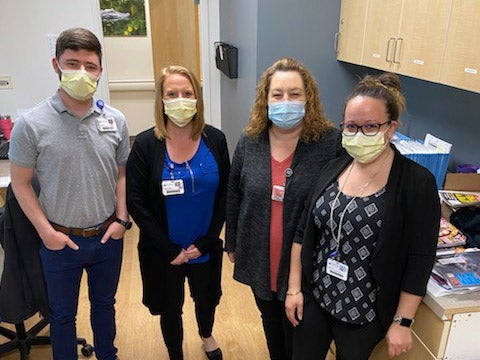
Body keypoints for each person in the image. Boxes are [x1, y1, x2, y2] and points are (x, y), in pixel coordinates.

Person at [285, 73, 441, 360]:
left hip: (365, 312)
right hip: (316, 298)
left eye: (370, 126)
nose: (359, 134)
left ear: (391, 128)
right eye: (351, 126)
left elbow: (420, 259)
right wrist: (295, 288)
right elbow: (303, 231)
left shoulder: (416, 183)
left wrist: (402, 322)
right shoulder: (334, 167)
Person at [9, 28, 130, 360]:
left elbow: (122, 173)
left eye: (90, 66)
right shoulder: (31, 124)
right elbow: (19, 184)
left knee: (105, 306)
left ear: (100, 70)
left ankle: (108, 355)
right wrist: (46, 233)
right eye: (72, 63)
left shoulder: (115, 120)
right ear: (56, 65)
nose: (82, 73)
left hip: (107, 236)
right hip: (60, 240)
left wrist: (122, 219)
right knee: (62, 316)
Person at [225, 57, 343, 360]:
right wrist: (233, 241)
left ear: (309, 98)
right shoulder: (250, 141)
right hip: (259, 254)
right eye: (277, 94)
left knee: (300, 332)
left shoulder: (329, 142)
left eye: (295, 94)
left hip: (307, 261)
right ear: (266, 99)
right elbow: (234, 192)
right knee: (271, 322)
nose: (285, 101)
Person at [126, 65, 229, 360]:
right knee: (171, 305)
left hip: (204, 246)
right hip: (164, 249)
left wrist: (208, 240)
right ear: (161, 99)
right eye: (172, 94)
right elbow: (136, 202)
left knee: (206, 298)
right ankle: (175, 353)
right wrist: (169, 248)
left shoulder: (216, 139)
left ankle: (206, 334)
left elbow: (225, 194)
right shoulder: (146, 144)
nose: (180, 99)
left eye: (187, 93)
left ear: (197, 98)